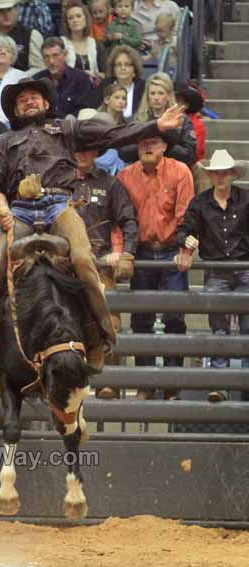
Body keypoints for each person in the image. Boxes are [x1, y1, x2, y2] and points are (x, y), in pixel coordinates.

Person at [0, 76, 185, 386]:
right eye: (22, 98)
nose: (29, 100)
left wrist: (155, 126)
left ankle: (99, 337)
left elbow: (113, 134)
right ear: (14, 108)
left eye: (35, 96)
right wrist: (2, 207)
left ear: (47, 103)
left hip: (59, 205)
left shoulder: (67, 129)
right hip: (19, 210)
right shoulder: (1, 143)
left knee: (83, 259)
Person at [118, 133, 194, 400]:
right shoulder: (125, 176)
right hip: (140, 252)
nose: (147, 145)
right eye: (143, 142)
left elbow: (186, 215)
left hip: (172, 250)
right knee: (141, 319)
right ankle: (145, 382)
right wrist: (123, 252)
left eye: (153, 142)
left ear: (164, 146)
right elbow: (121, 218)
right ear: (137, 146)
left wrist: (186, 251)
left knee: (175, 317)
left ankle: (172, 382)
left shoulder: (180, 171)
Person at [174, 150, 249, 403]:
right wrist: (187, 238)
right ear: (212, 175)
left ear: (232, 175)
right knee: (219, 328)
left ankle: (240, 382)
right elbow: (183, 229)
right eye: (216, 173)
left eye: (223, 173)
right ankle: (220, 384)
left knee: (247, 327)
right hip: (217, 270)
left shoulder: (246, 200)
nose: (220, 177)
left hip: (243, 268)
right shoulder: (200, 203)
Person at [74, 107, 138, 399]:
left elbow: (128, 219)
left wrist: (126, 253)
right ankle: (69, 383)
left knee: (110, 321)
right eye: (79, 147)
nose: (83, 153)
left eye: (89, 148)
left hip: (100, 264)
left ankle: (109, 381)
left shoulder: (109, 183)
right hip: (63, 263)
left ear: (96, 150)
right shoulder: (58, 180)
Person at [119, 72, 197, 165]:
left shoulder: (182, 120)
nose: (156, 97)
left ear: (168, 96)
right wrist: (144, 144)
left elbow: (190, 155)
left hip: (171, 172)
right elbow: (123, 152)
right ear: (147, 96)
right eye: (152, 93)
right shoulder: (135, 120)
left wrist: (162, 145)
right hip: (141, 171)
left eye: (161, 93)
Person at [0, 0, 45, 75]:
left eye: (9, 9)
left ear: (16, 10)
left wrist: (17, 78)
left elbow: (39, 68)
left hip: (22, 83)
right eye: (1, 10)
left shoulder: (32, 35)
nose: (5, 14)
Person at [34, 36, 100, 117]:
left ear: (65, 55)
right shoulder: (37, 80)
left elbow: (85, 110)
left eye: (55, 55)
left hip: (73, 127)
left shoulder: (81, 79)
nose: (51, 61)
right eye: (46, 57)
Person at [61, 0, 107, 81]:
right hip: (68, 90)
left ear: (86, 19)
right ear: (67, 23)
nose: (75, 20)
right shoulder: (60, 44)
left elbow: (105, 74)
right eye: (70, 18)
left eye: (78, 16)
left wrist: (95, 75)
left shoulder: (97, 46)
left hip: (92, 89)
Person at [103, 44, 145, 117]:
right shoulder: (105, 85)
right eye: (119, 64)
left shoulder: (143, 87)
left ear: (134, 68)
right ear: (113, 68)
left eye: (127, 64)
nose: (123, 68)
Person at [95, 82, 127, 175]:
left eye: (124, 98)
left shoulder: (127, 124)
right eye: (117, 97)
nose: (121, 101)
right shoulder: (95, 121)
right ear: (106, 100)